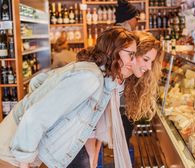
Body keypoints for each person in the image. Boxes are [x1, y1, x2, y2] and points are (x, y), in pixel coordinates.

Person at [0, 27, 141, 168]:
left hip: (22, 148)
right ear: (113, 51)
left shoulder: (94, 73)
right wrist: (24, 162)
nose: (134, 62)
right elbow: (35, 117)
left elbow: (38, 82)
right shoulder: (90, 78)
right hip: (12, 151)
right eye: (131, 55)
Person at [68, 31, 163, 168]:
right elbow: (86, 120)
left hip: (83, 141)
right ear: (132, 54)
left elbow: (99, 118)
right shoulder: (104, 77)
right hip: (73, 141)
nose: (149, 67)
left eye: (151, 62)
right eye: (146, 59)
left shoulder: (121, 79)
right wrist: (92, 155)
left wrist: (95, 151)